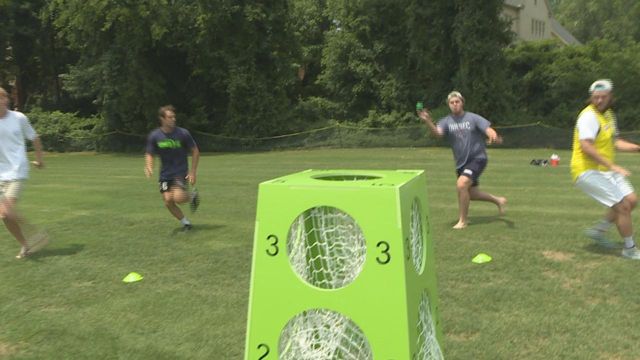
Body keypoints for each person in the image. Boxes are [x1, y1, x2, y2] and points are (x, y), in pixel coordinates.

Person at [571, 79, 640, 260]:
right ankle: (630, 249)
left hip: (605, 170)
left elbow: (615, 142)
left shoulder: (608, 115)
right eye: (596, 97)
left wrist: (637, 147)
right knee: (623, 207)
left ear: (611, 97)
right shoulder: (588, 116)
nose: (599, 100)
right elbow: (586, 146)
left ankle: (598, 231)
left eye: (603, 97)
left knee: (631, 200)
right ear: (591, 98)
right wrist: (613, 166)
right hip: (586, 171)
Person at [418, 91, 507, 229]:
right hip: (461, 163)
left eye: (457, 102)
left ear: (462, 102)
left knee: (461, 185)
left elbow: (488, 129)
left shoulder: (472, 118)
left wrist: (493, 136)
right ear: (449, 105)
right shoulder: (446, 121)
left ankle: (463, 221)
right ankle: (498, 200)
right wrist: (428, 121)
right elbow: (437, 134)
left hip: (477, 158)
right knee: (471, 193)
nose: (454, 105)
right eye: (451, 103)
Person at [0, 86, 47, 258]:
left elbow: (34, 137)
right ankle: (25, 245)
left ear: (6, 100)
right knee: (5, 217)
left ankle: (35, 233)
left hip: (17, 170)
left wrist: (40, 159)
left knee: (5, 212)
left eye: (1, 98)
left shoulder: (19, 118)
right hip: (0, 173)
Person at [145, 105, 200, 231]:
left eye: (174, 117)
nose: (173, 119)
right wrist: (148, 165)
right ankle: (186, 223)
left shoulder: (183, 133)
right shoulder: (155, 136)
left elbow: (195, 151)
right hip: (165, 174)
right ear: (162, 119)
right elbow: (149, 153)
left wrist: (193, 171)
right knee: (168, 200)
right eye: (170, 117)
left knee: (178, 198)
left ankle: (192, 196)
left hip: (180, 172)